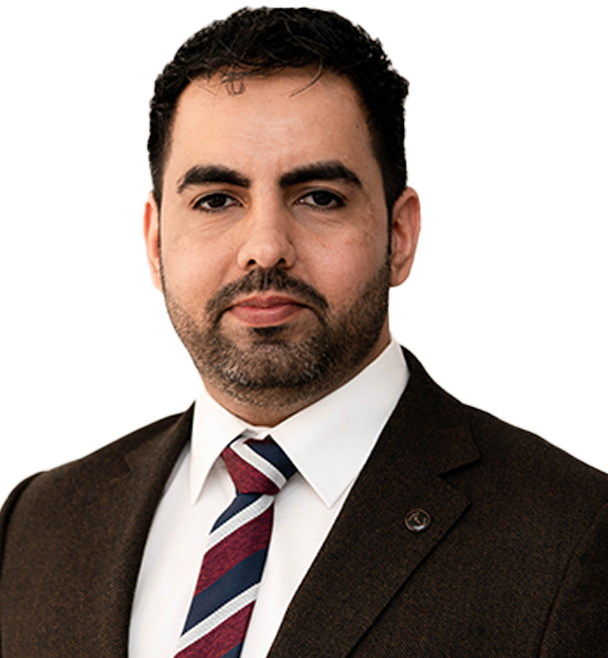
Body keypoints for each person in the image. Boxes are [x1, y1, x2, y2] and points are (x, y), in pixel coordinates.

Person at [1, 7, 607, 658]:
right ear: (154, 243)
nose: (265, 248)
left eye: (319, 197)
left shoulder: (572, 536)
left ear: (399, 236)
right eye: (216, 200)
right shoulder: (39, 521)